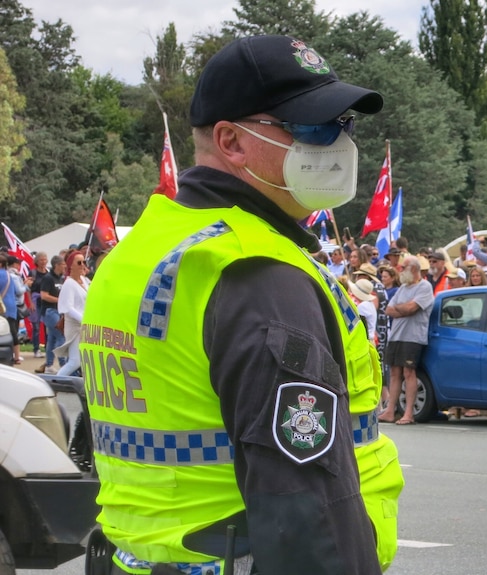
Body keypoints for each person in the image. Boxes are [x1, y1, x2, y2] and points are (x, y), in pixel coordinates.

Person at [79, 35, 402, 575]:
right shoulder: (258, 274)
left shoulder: (140, 252)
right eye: (312, 128)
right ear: (231, 140)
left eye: (344, 125)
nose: (339, 144)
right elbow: (306, 512)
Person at [379, 256, 435, 425]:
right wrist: (403, 309)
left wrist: (402, 309)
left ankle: (409, 413)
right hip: (396, 335)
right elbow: (389, 310)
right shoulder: (402, 288)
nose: (400, 270)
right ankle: (390, 410)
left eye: (404, 267)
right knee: (395, 373)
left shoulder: (424, 287)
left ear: (414, 269)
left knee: (409, 373)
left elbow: (412, 308)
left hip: (412, 337)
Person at [55, 251, 90, 376]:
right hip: (75, 327)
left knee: (83, 360)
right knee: (75, 361)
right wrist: (83, 319)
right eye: (79, 262)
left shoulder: (84, 280)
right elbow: (68, 308)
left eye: (84, 262)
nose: (82, 265)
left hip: (84, 325)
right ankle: (57, 382)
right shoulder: (69, 284)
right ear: (71, 266)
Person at [38, 255, 66, 374]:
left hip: (58, 311)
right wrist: (59, 300)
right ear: (57, 265)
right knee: (60, 336)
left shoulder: (61, 278)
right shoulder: (48, 278)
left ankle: (49, 365)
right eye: (63, 264)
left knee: (52, 339)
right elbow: (44, 295)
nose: (65, 266)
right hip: (49, 311)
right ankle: (63, 363)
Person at [28, 251, 48, 358]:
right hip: (36, 301)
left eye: (45, 259)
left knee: (47, 326)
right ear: (37, 261)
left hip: (46, 302)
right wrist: (30, 302)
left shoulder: (48, 273)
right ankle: (36, 349)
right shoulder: (33, 273)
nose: (43, 262)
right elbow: (28, 289)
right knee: (36, 326)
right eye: (41, 260)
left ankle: (47, 348)